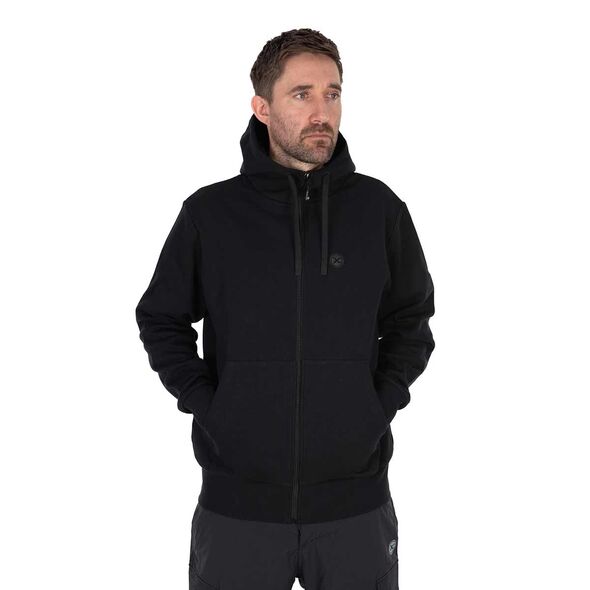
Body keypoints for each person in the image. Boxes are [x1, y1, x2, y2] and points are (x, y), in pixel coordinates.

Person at [135, 27, 435, 590]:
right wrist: (212, 407)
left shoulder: (379, 211)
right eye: (302, 94)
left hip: (355, 507)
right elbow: (161, 318)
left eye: (333, 93)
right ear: (262, 108)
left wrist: (376, 406)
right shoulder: (210, 215)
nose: (323, 112)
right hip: (237, 509)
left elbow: (411, 321)